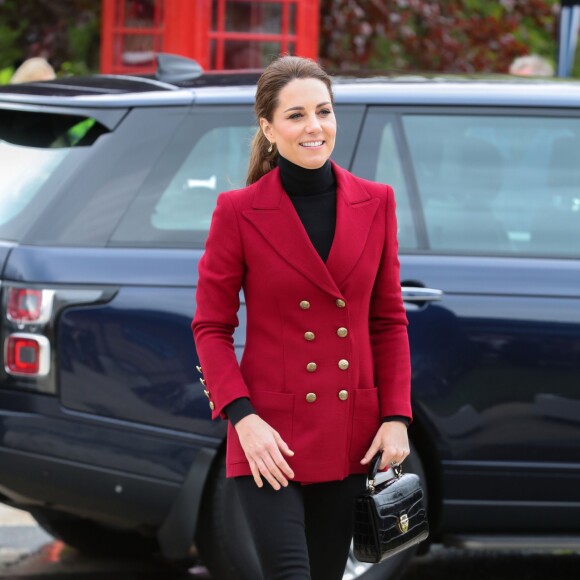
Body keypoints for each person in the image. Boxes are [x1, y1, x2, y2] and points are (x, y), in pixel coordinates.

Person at [191, 55, 412, 580]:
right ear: (268, 128)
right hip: (268, 436)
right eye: (296, 115)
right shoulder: (238, 211)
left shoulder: (376, 202)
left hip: (347, 431)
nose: (314, 127)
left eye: (324, 111)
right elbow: (211, 328)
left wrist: (397, 415)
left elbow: (388, 321)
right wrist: (242, 418)